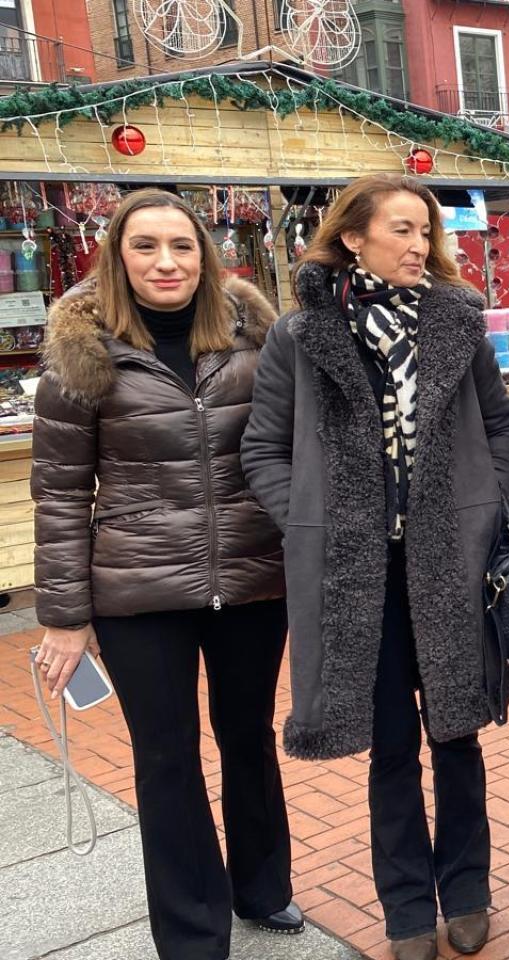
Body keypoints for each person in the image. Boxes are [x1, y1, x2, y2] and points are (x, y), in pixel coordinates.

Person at [241, 174, 509, 960]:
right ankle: (405, 909)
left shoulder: (456, 325)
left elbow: (502, 428)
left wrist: (486, 505)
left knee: (459, 734)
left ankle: (467, 888)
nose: (419, 246)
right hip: (358, 577)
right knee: (393, 746)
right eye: (402, 230)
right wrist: (310, 520)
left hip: (452, 566)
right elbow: (262, 448)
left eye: (425, 232)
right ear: (354, 238)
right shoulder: (300, 337)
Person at [30, 188, 300, 960]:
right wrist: (64, 614)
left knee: (248, 737)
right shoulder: (82, 351)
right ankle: (190, 931)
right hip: (138, 592)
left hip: (252, 578)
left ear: (205, 252)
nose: (165, 262)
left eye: (180, 245)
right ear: (118, 256)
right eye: (145, 246)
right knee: (167, 757)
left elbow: (289, 451)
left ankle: (263, 887)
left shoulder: (255, 334)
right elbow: (57, 491)